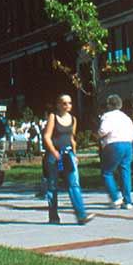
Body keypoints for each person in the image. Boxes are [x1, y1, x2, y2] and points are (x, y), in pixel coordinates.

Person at [43, 94, 94, 224]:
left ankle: (81, 215)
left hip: (68, 154)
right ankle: (53, 216)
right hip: (54, 156)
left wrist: (74, 155)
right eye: (64, 103)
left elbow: (72, 139)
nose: (67, 106)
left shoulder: (73, 119)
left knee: (74, 183)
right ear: (58, 105)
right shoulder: (53, 117)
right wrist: (53, 151)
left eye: (69, 103)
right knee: (52, 186)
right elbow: (47, 136)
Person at [98, 94, 133, 209]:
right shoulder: (126, 117)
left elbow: (103, 130)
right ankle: (127, 200)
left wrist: (98, 135)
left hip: (114, 144)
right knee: (125, 171)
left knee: (107, 172)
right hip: (128, 144)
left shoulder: (107, 116)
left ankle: (115, 197)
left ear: (109, 105)